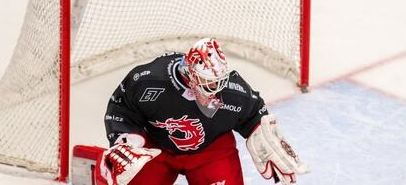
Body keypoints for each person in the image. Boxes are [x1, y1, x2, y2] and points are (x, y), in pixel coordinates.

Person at [95, 38, 308, 185]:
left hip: (211, 151)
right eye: (208, 83)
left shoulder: (235, 93)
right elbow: (121, 108)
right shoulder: (148, 81)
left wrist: (258, 131)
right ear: (189, 75)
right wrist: (126, 140)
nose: (216, 91)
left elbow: (254, 113)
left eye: (219, 82)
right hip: (155, 150)